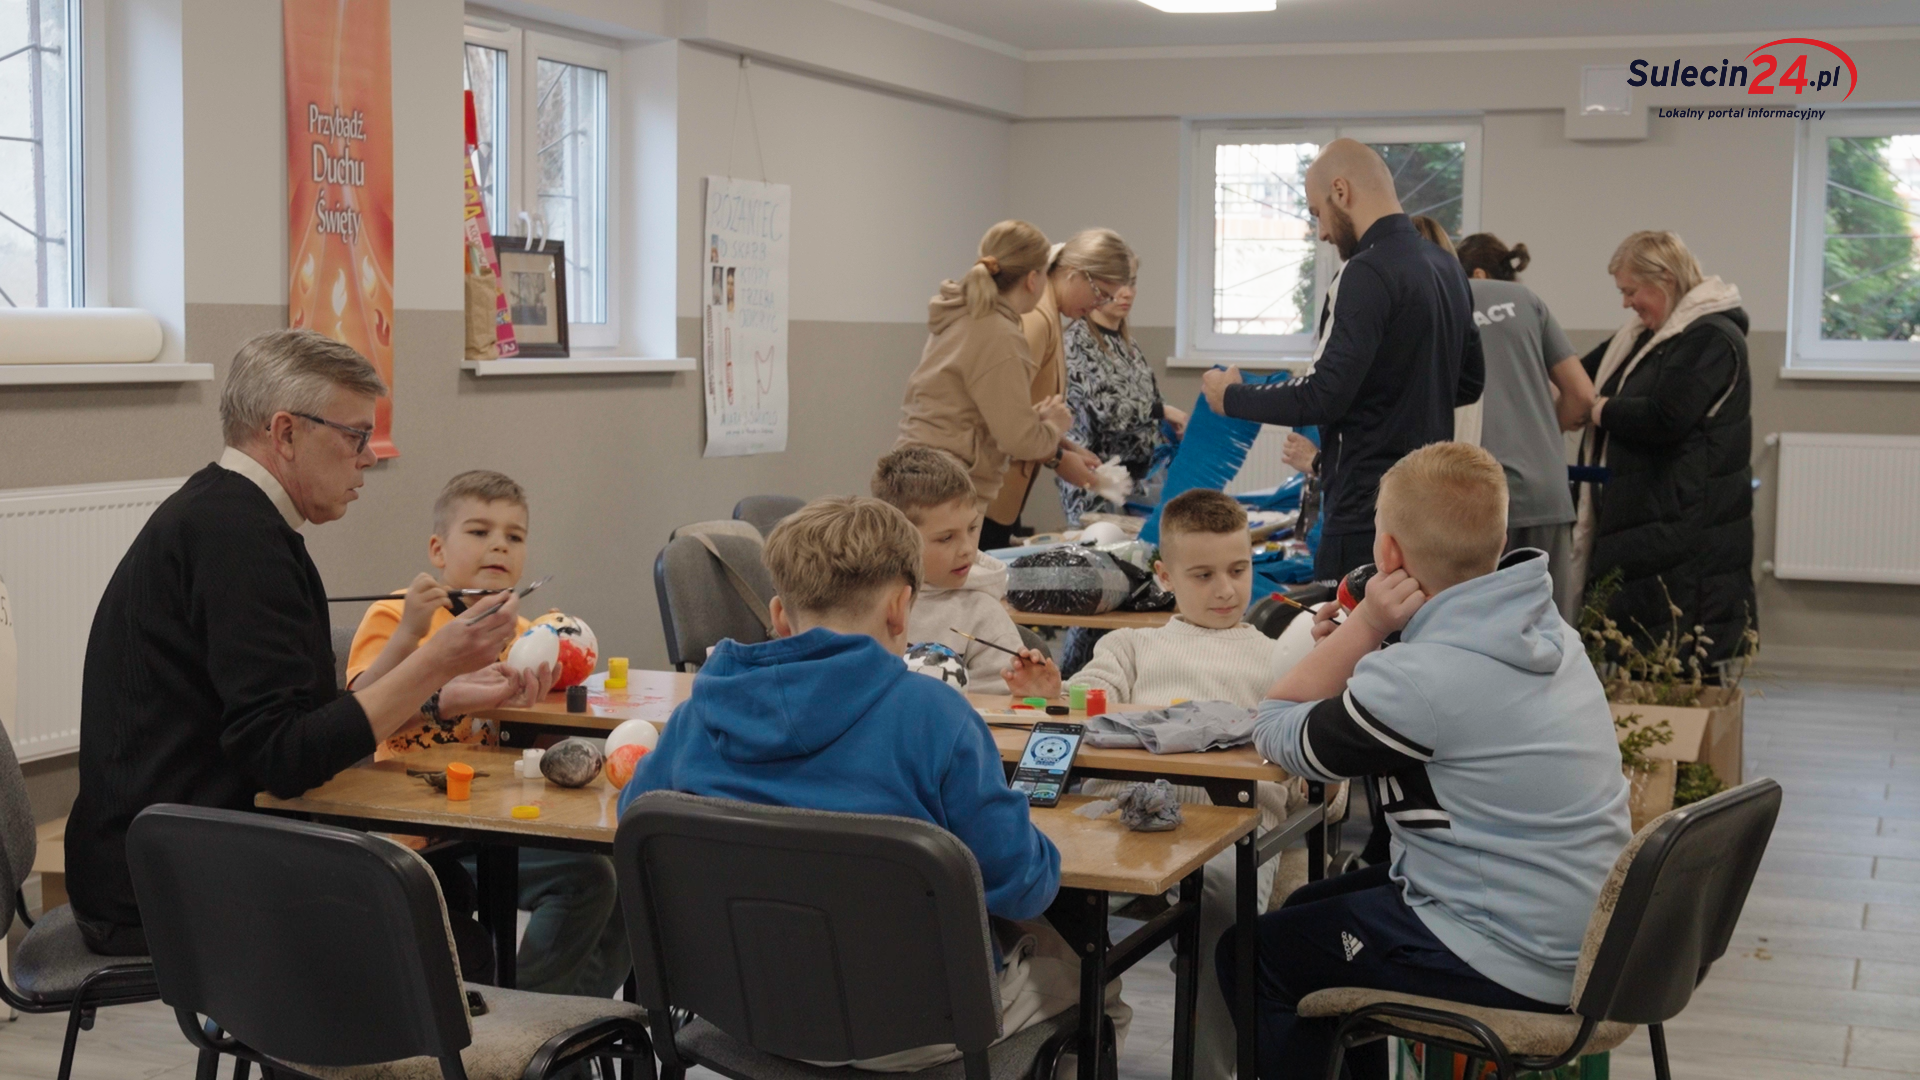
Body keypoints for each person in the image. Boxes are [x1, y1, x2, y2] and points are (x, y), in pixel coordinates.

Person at [65, 330, 552, 956]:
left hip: (166, 852)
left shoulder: (231, 516)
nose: (369, 457)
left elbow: (315, 721)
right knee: (449, 935)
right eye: (355, 436)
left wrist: (433, 685)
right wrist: (434, 659)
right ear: (286, 433)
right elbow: (286, 759)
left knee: (445, 890)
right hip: (163, 880)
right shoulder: (235, 539)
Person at [618, 496, 1128, 1069]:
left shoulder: (697, 715)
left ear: (781, 615)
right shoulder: (936, 716)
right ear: (899, 609)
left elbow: (635, 830)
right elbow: (1023, 886)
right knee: (1099, 984)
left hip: (744, 1009)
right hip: (909, 1027)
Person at [1219, 443, 1631, 1080]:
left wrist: (1359, 635)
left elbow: (1274, 726)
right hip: (1585, 935)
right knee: (1302, 914)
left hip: (1512, 956)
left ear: (1387, 555)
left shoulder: (1421, 683)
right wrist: (1377, 643)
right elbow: (1447, 688)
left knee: (1251, 956)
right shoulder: (1548, 629)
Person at [345, 470, 627, 998]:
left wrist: (551, 701)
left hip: (493, 818)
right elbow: (357, 712)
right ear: (437, 548)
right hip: (416, 825)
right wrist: (417, 645)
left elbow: (528, 749)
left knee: (621, 871)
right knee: (587, 881)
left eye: (514, 536)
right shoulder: (399, 615)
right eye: (478, 531)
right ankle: (531, 1023)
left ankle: (570, 1028)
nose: (498, 544)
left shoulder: (525, 637)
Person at [1065, 489, 1311, 1080]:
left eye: (1238, 570)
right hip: (1123, 816)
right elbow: (1089, 697)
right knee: (1043, 878)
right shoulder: (1131, 643)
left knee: (1223, 905)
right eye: (1202, 575)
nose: (1226, 590)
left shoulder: (1278, 657)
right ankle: (1078, 1043)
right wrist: (1064, 688)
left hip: (1228, 828)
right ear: (1165, 576)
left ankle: (1208, 1070)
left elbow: (1304, 754)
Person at [1200, 139, 1484, 584]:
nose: (1322, 233)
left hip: (1363, 517)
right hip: (1426, 511)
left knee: (1343, 647)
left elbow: (1323, 395)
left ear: (1340, 191)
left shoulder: (1365, 271)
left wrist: (1230, 397)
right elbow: (1468, 384)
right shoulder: (1446, 267)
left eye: (1316, 213)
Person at [1574, 230, 1754, 665]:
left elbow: (1665, 417)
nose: (1625, 304)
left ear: (1666, 280)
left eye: (1631, 291)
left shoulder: (1712, 337)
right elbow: (1577, 375)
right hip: (1647, 522)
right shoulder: (1642, 337)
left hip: (1684, 530)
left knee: (1673, 659)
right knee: (1635, 657)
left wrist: (1596, 409)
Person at [896, 221, 1100, 552]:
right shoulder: (1000, 334)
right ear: (1034, 279)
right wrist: (1053, 426)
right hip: (948, 488)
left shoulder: (963, 313)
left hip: (922, 474)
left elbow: (973, 405)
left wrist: (1032, 417)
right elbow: (1019, 441)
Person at [1455, 233, 1596, 623]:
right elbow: (1583, 395)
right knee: (1552, 630)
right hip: (1545, 489)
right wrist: (1541, 432)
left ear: (1472, 270)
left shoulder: (1448, 297)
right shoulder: (1529, 301)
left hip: (1476, 494)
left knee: (1481, 633)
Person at [983, 230, 1138, 550]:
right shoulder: (1036, 321)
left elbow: (1030, 408)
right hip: (986, 489)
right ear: (1074, 275)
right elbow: (1002, 417)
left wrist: (1066, 446)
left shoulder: (1050, 318)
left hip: (1002, 489)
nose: (1101, 304)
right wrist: (1058, 459)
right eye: (1101, 293)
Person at [870, 445, 1062, 697]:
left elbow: (1002, 702)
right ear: (897, 540)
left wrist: (1030, 692)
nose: (967, 549)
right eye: (946, 538)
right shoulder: (865, 601)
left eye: (972, 528)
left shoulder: (981, 612)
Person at [1048, 231, 1186, 528]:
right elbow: (1108, 412)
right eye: (1118, 284)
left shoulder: (1129, 345)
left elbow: (1148, 401)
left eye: (1132, 283)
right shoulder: (1075, 341)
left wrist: (1168, 425)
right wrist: (1163, 410)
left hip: (1137, 488)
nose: (1125, 292)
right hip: (1096, 484)